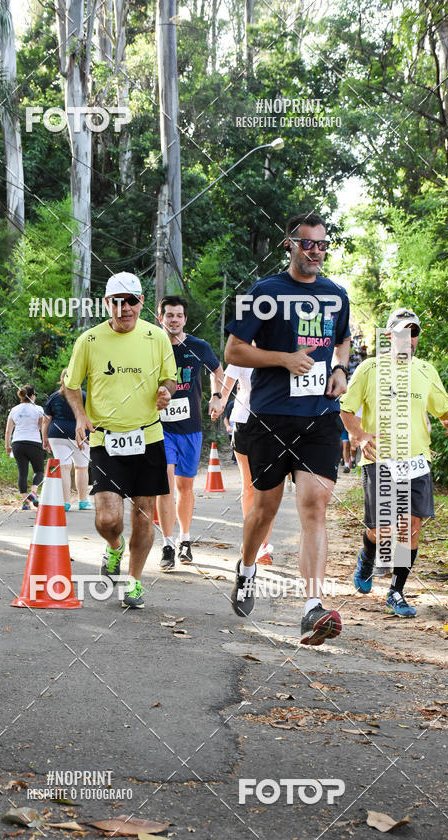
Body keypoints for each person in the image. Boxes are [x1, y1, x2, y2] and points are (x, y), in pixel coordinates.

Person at [224, 212, 350, 646]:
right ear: (289, 245)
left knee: (315, 505)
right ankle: (246, 569)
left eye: (321, 244)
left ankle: (311, 607)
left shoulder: (336, 294)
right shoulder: (262, 293)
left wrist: (338, 367)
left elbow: (343, 338)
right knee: (265, 509)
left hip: (319, 418)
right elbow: (234, 350)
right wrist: (282, 358)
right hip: (270, 418)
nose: (316, 250)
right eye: (307, 243)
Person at [63, 272, 177, 609]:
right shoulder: (89, 340)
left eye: (131, 301)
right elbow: (70, 385)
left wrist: (164, 392)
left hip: (148, 437)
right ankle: (114, 547)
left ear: (141, 302)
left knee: (143, 516)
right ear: (107, 303)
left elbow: (170, 379)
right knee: (107, 519)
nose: (124, 308)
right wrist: (81, 416)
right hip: (105, 440)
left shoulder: (156, 337)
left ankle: (135, 582)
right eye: (117, 301)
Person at [340, 307, 448, 617]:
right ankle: (368, 556)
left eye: (414, 332)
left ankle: (396, 591)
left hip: (416, 461)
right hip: (379, 459)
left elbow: (443, 407)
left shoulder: (426, 370)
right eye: (401, 332)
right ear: (388, 336)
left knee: (410, 528)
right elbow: (346, 410)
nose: (408, 338)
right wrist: (360, 435)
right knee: (382, 531)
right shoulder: (369, 368)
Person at [156, 295, 225, 570]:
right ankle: (167, 544)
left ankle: (185, 540)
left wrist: (217, 396)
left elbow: (217, 370)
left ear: (185, 319)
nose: (174, 320)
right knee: (166, 484)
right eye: (169, 315)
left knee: (185, 487)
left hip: (191, 427)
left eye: (179, 315)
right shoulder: (152, 346)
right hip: (160, 428)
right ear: (160, 318)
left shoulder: (198, 346)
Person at [220, 364, 276, 564]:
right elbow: (225, 387)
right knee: (249, 486)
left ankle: (263, 546)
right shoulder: (240, 354)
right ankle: (252, 540)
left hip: (274, 424)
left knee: (268, 488)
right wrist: (219, 401)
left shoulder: (279, 349)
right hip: (244, 422)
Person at [42, 369, 92, 512]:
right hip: (80, 434)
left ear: (61, 379)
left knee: (64, 468)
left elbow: (46, 421)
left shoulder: (54, 397)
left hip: (56, 434)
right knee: (81, 467)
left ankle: (65, 503)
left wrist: (44, 438)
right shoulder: (85, 397)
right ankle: (83, 501)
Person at [5, 385, 44, 510]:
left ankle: (25, 502)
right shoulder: (38, 409)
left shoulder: (14, 409)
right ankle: (33, 492)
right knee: (39, 471)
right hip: (34, 442)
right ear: (32, 396)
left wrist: (7, 445)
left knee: (22, 473)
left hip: (18, 443)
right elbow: (42, 428)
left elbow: (8, 431)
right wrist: (46, 442)